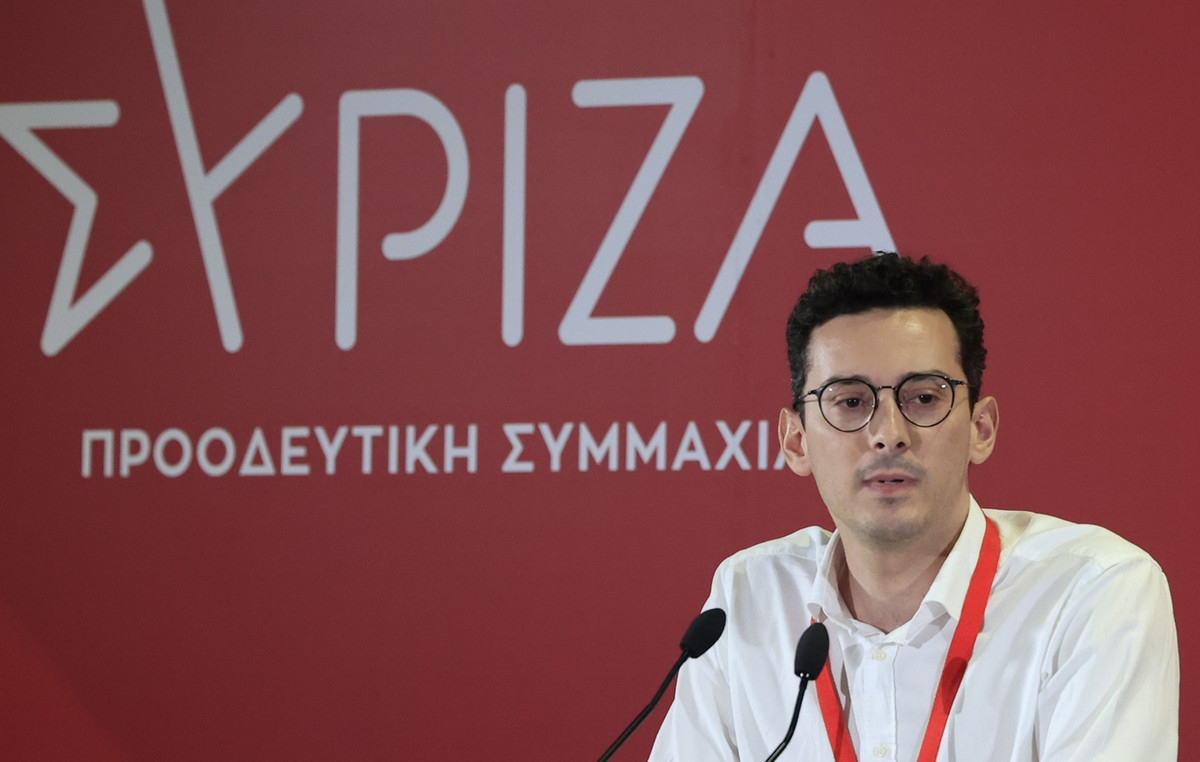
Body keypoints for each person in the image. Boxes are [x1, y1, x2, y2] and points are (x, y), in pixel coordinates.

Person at [648, 253, 1178, 761]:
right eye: (850, 401)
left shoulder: (1091, 591)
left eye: (924, 397)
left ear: (980, 429)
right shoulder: (747, 599)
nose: (889, 433)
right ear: (796, 442)